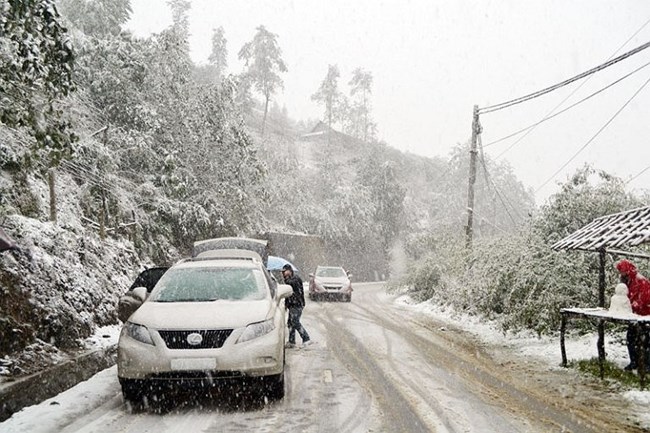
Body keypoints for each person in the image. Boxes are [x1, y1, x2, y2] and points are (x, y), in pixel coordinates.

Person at [616, 259, 650, 370]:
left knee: (645, 340)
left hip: (644, 316)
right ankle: (635, 362)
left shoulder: (641, 281)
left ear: (627, 270)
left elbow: (644, 299)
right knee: (631, 338)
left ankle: (646, 364)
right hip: (634, 316)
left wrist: (632, 305)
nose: (621, 274)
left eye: (622, 271)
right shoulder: (628, 281)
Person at [282, 264, 311, 348]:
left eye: (285, 272)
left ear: (290, 271)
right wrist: (287, 305)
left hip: (297, 304)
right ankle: (292, 341)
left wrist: (287, 280)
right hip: (292, 305)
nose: (283, 273)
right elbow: (288, 294)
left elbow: (292, 290)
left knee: (295, 322)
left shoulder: (295, 279)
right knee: (290, 323)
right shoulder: (289, 280)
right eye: (283, 272)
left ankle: (306, 338)